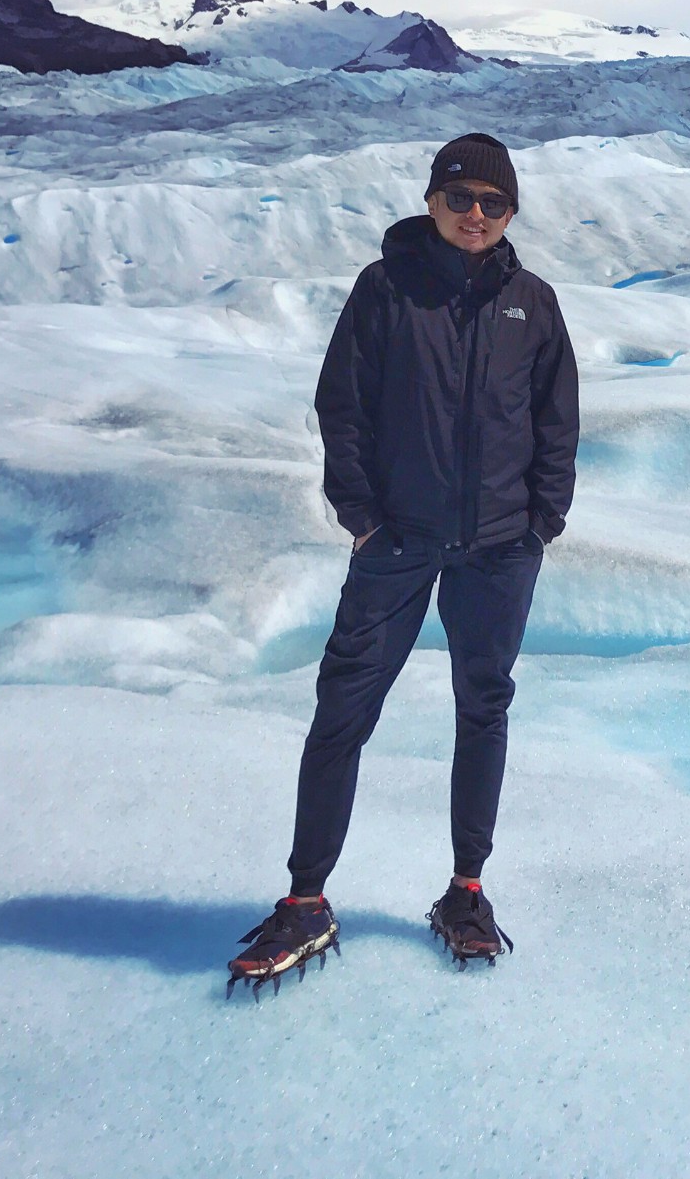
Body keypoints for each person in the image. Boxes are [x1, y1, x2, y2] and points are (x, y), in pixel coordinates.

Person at [228, 133, 579, 992]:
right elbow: (340, 403)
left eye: (494, 204)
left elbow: (556, 418)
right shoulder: (385, 290)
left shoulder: (531, 304)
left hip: (500, 548)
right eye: (461, 199)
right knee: (343, 709)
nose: (475, 216)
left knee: (482, 708)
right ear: (431, 201)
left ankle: (467, 890)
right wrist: (361, 517)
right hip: (398, 542)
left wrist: (541, 519)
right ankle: (305, 897)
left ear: (510, 214)